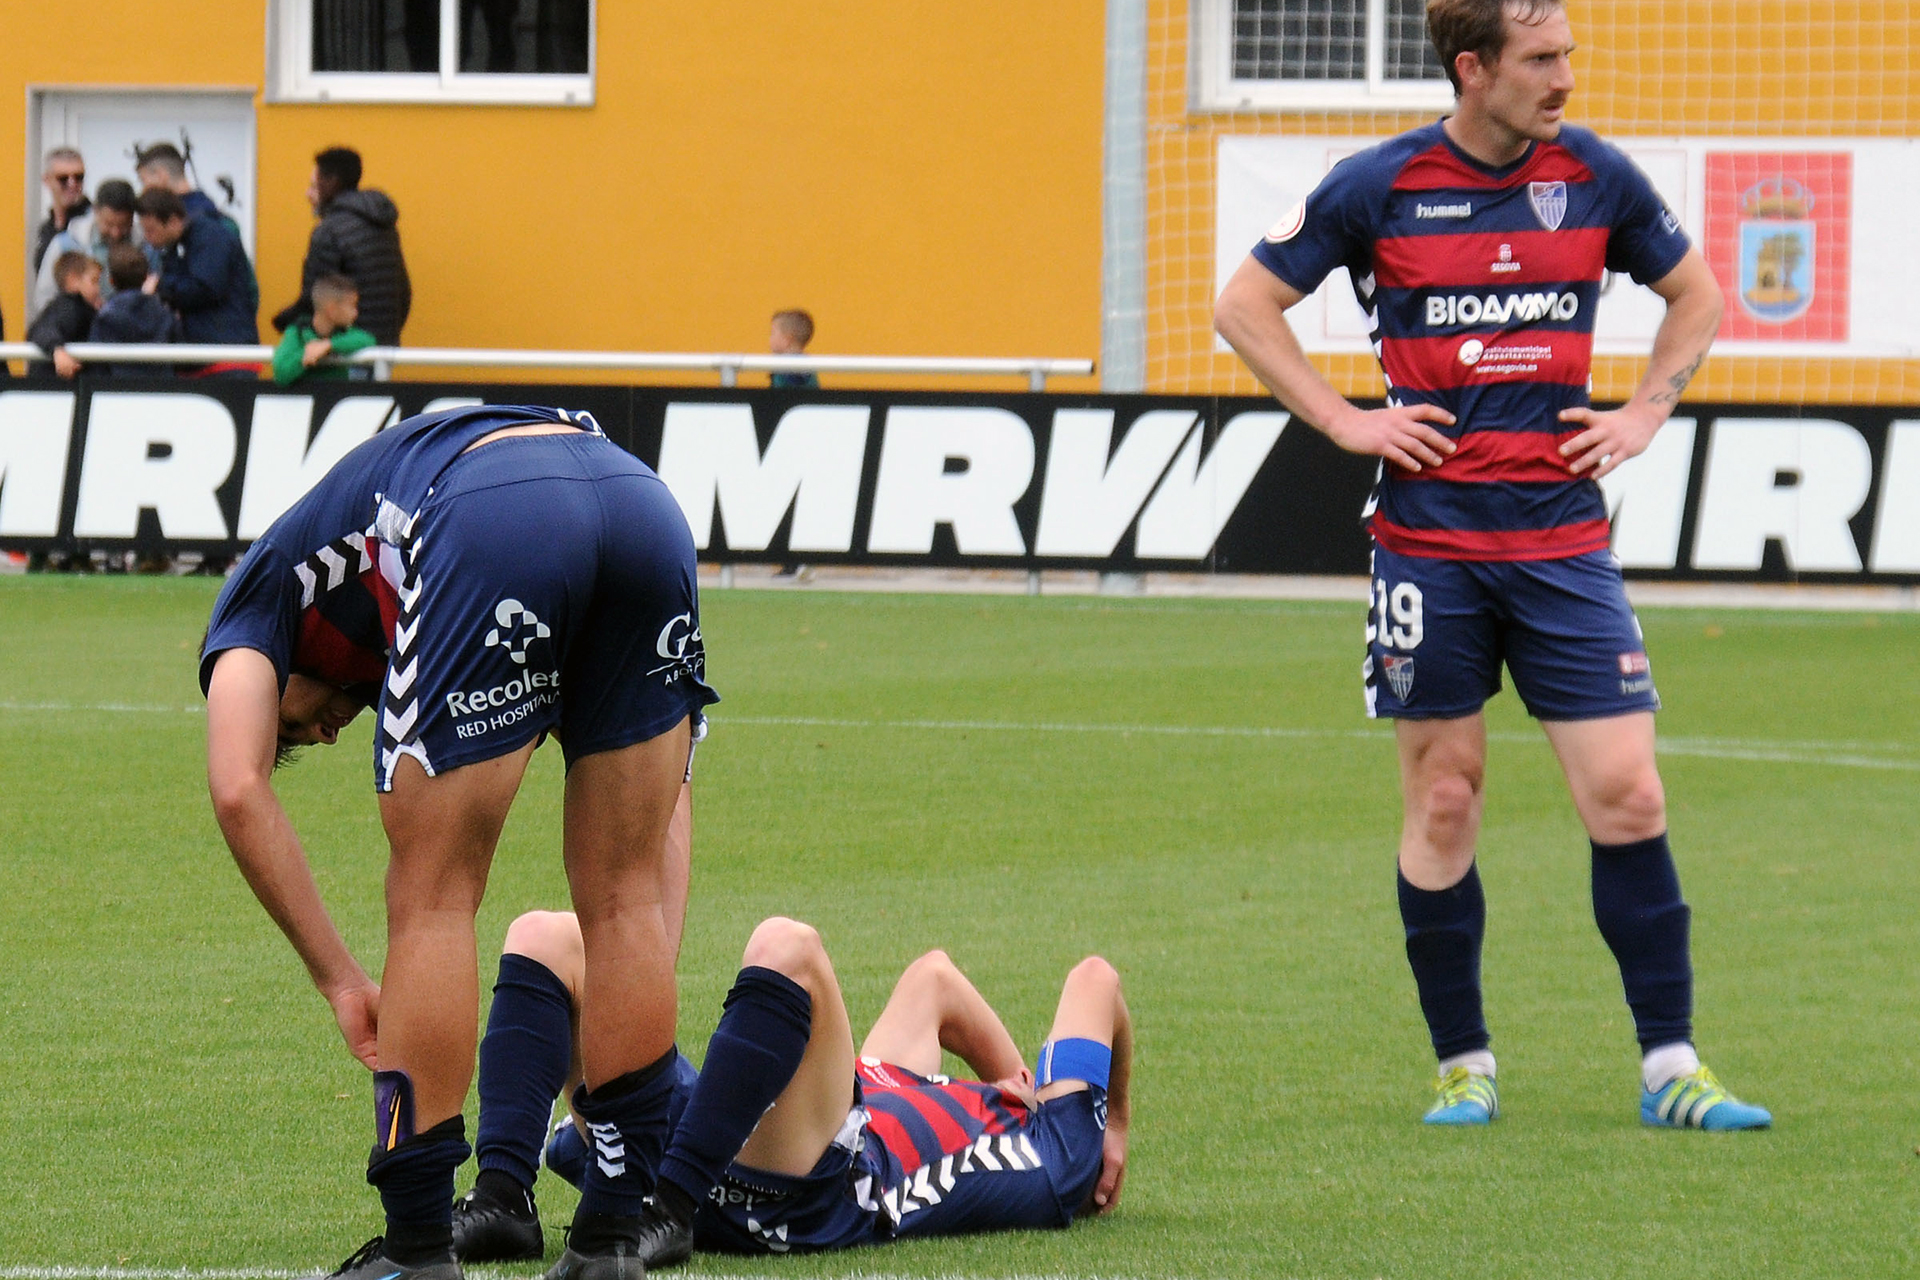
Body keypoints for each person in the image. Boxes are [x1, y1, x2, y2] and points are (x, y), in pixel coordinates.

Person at [1213, 0, 1769, 1131]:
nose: (1565, 77)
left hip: (1564, 544)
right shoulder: (1379, 183)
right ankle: (1463, 1063)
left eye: (1567, 55)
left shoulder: (1595, 175)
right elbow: (1245, 304)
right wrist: (1343, 419)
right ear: (1473, 68)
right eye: (1541, 59)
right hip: (1430, 548)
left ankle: (1671, 1067)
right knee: (1445, 798)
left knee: (1629, 793)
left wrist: (1645, 412)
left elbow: (1698, 294)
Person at [201, 403, 718, 1280]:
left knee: (433, 897)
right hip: (640, 499)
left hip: (489, 511)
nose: (319, 735)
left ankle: (416, 1250)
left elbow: (238, 786)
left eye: (291, 727)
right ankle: (610, 1239)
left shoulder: (256, 599)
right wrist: (636, 988)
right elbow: (669, 806)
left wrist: (342, 981)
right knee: (624, 898)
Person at [450, 912, 1129, 1267]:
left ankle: (670, 1210)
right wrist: (1010, 1074)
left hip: (803, 1195)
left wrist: (1114, 1123)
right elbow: (935, 977)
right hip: (728, 1142)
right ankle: (504, 1197)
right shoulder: (901, 1078)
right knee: (543, 937)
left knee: (790, 950)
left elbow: (1095, 979)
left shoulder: (1057, 1153)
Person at [273, 147, 412, 349]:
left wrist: (283, 323)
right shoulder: (384, 226)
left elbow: (317, 296)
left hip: (345, 347)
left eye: (314, 185)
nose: (308, 194)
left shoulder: (330, 231)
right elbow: (403, 292)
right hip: (383, 347)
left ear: (331, 182)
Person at [135, 186, 260, 375]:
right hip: (201, 356)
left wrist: (161, 287)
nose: (147, 238)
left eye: (151, 230)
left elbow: (207, 288)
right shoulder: (177, 247)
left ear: (173, 221)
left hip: (227, 355)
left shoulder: (211, 237)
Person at [89, 241, 181, 376]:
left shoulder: (105, 318)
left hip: (116, 386)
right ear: (146, 277)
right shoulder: (164, 314)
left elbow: (97, 362)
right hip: (160, 386)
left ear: (111, 281)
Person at [272, 273, 377, 386]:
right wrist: (305, 357)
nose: (355, 313)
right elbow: (280, 373)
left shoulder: (344, 331)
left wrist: (329, 345)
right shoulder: (297, 332)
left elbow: (368, 340)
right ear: (332, 310)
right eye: (352, 306)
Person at [26, 251, 102, 379]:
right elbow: (45, 328)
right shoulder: (69, 307)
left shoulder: (81, 309)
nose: (98, 289)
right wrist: (57, 350)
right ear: (73, 280)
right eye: (94, 281)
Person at [32, 147, 90, 275]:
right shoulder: (46, 229)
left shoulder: (94, 222)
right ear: (47, 180)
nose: (72, 184)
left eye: (79, 177)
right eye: (63, 178)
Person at [768, 310, 819, 389]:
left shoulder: (795, 366)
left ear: (786, 340)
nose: (770, 338)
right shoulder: (807, 364)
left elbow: (798, 378)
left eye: (772, 333)